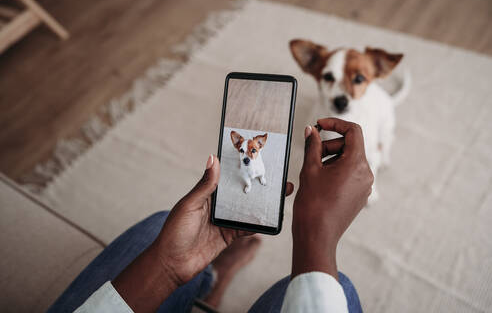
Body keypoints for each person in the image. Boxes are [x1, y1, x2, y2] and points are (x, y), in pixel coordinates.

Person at [47, 118, 373, 313]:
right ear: (240, 147)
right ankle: (215, 282)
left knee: (163, 228)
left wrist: (168, 267)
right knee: (336, 287)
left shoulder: (255, 154)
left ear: (259, 147)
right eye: (244, 149)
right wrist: (316, 236)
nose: (248, 154)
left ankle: (206, 277)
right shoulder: (245, 151)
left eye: (253, 149)